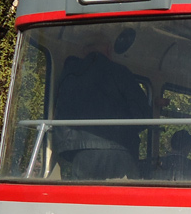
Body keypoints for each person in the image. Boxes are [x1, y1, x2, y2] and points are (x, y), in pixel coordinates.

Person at [53, 37, 149, 180]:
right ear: (109, 49)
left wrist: (67, 149)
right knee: (124, 193)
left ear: (84, 51)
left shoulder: (68, 76)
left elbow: (60, 113)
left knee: (85, 193)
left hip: (82, 153)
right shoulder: (121, 72)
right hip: (122, 150)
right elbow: (143, 114)